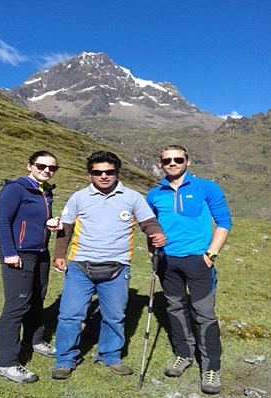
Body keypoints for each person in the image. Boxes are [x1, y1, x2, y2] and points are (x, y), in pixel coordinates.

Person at [51, 150, 166, 380]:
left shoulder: (133, 197)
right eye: (98, 172)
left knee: (114, 315)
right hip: (80, 266)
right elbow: (66, 228)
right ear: (89, 174)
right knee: (70, 315)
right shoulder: (78, 197)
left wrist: (157, 233)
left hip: (117, 268)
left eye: (109, 172)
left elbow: (148, 222)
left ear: (116, 172)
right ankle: (64, 359)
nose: (104, 176)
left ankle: (110, 355)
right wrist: (59, 255)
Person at [146, 145, 232, 395]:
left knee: (204, 313)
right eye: (167, 160)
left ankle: (211, 367)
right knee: (174, 307)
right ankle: (183, 354)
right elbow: (149, 225)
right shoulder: (154, 194)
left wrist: (211, 255)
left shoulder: (207, 188)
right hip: (167, 263)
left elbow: (224, 221)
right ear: (160, 164)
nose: (172, 163)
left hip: (199, 261)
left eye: (177, 159)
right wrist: (152, 252)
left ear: (188, 161)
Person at [0, 150, 61, 383]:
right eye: (41, 166)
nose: (47, 170)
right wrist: (10, 252)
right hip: (19, 255)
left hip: (40, 253)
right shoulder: (15, 188)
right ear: (29, 165)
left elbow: (31, 219)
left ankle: (34, 340)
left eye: (52, 168)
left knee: (37, 299)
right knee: (17, 306)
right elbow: (3, 221)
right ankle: (5, 362)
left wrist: (49, 222)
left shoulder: (45, 191)